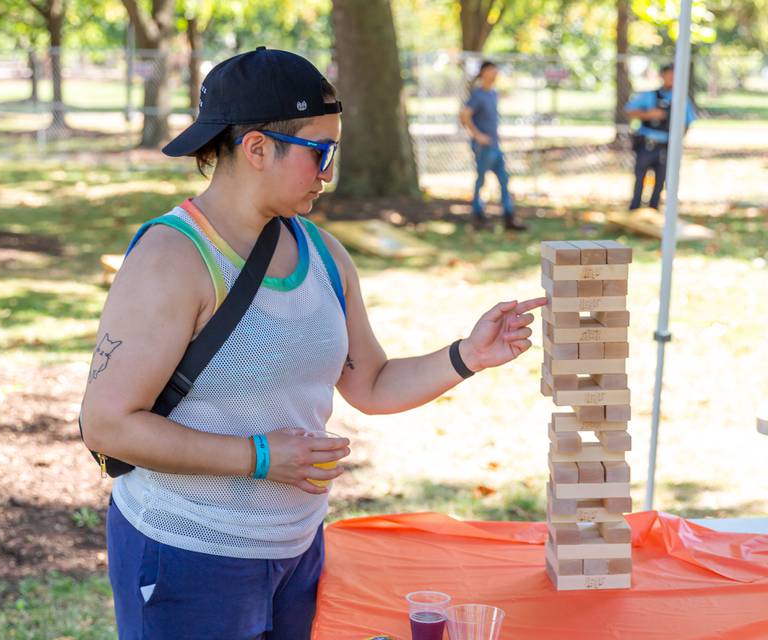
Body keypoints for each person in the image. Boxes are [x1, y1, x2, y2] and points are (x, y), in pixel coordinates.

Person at [80, 47, 546, 640]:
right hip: (186, 554)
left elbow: (371, 384)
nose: (329, 173)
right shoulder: (171, 259)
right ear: (256, 149)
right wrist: (261, 457)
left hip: (296, 551)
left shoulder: (324, 253)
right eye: (320, 153)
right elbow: (107, 425)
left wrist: (467, 356)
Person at [459, 60, 527, 231]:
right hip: (484, 147)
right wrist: (478, 136)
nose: (495, 74)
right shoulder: (478, 95)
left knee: (504, 180)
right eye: (491, 71)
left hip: (496, 145)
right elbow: (464, 116)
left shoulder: (493, 93)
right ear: (483, 73)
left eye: (496, 71)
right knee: (481, 180)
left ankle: (509, 216)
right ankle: (477, 214)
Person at [625, 62, 697, 210]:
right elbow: (629, 111)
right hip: (646, 145)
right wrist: (648, 115)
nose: (671, 78)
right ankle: (635, 209)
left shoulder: (681, 99)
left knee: (660, 181)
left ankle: (653, 209)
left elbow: (688, 123)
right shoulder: (649, 95)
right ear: (662, 76)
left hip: (666, 146)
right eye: (668, 75)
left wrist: (678, 141)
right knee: (640, 179)